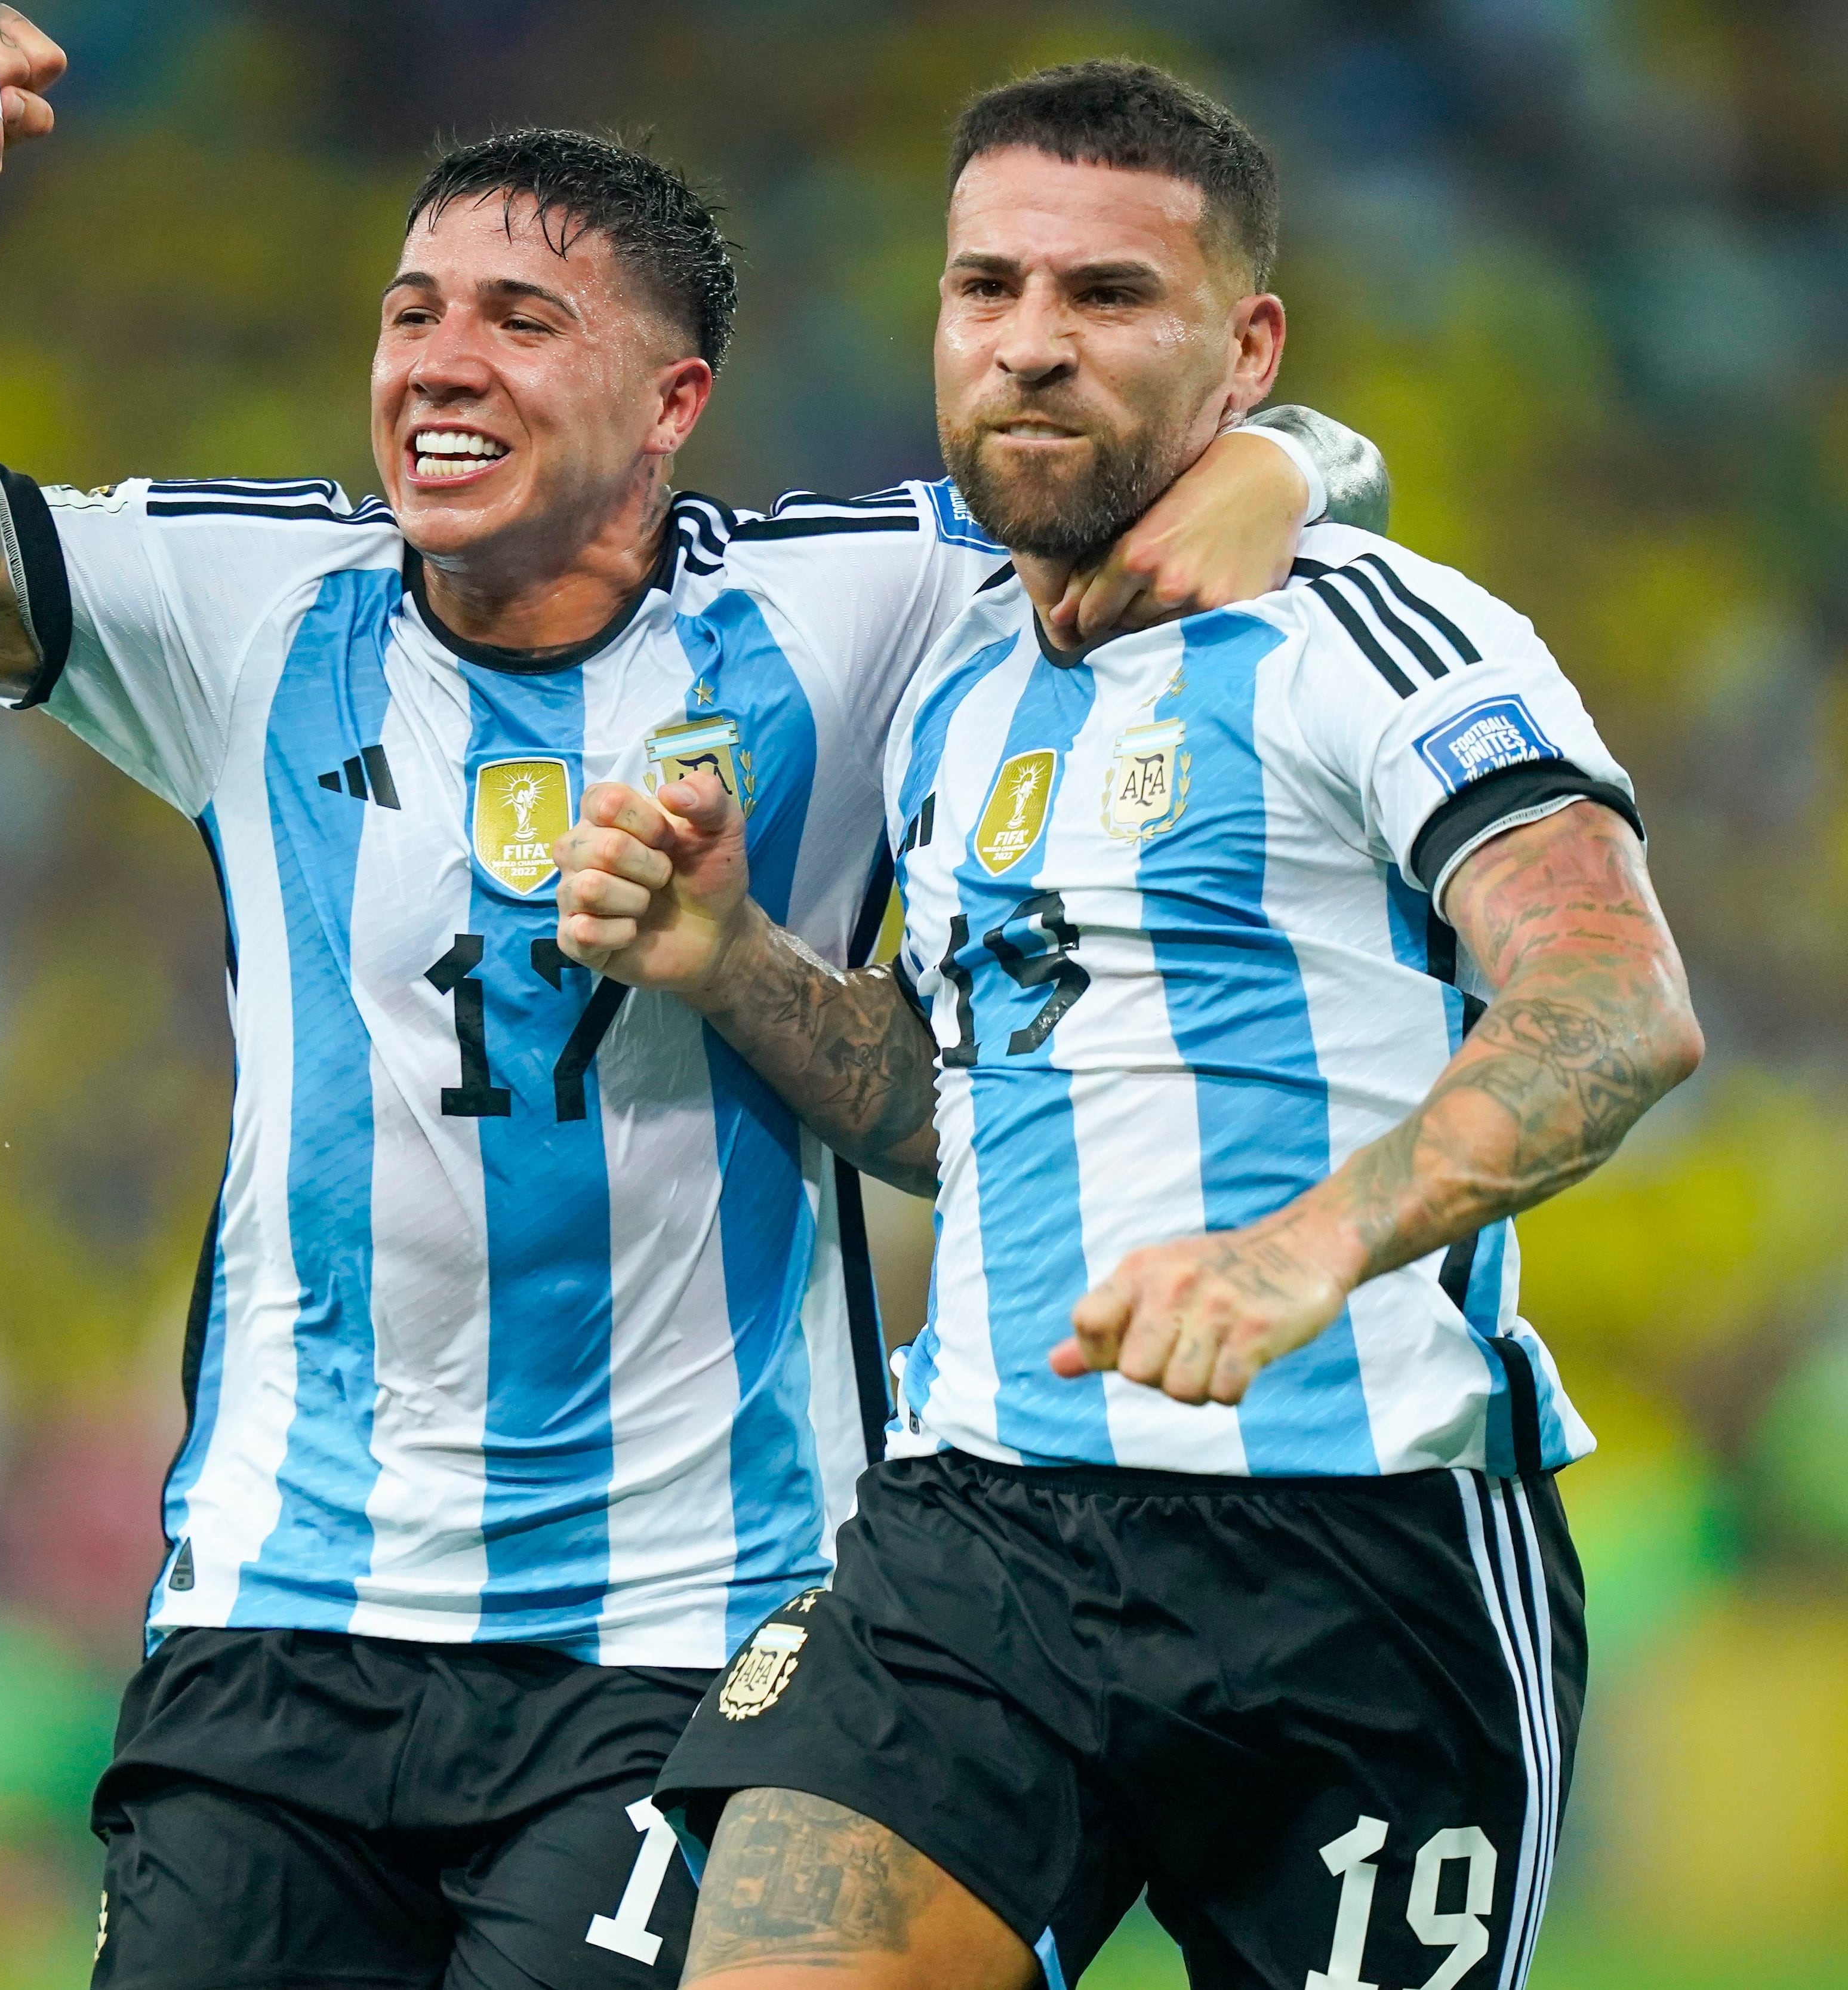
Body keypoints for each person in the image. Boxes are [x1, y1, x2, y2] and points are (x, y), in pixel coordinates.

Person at [0, 10, 1390, 1988]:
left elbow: (1186, 472)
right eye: (411, 314)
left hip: (690, 1633)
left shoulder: (843, 606)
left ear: (673, 402)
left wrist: (1282, 457)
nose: (439, 360)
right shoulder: (252, 607)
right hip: (278, 1617)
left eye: (520, 320)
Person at [555, 60, 1706, 1990]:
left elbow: (1617, 998)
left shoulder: (1379, 637)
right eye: (986, 287)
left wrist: (1301, 1248)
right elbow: (955, 1112)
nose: (1030, 341)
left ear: (1245, 348)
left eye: (1107, 294)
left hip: (1362, 1557)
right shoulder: (956, 685)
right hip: (977, 1539)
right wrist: (731, 957)